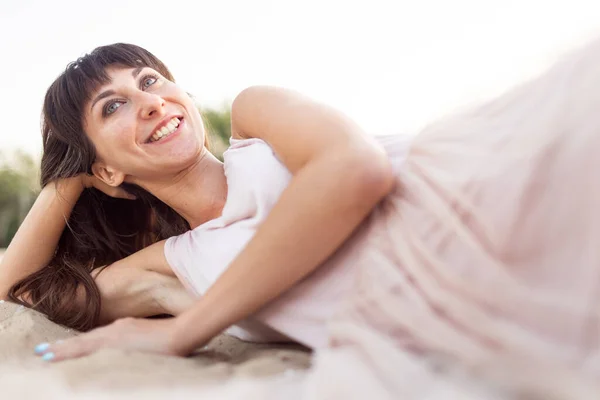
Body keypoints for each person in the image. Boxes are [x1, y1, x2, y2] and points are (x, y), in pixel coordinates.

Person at [2, 39, 600, 396]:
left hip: (508, 177)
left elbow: (356, 169)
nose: (151, 100)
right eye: (115, 105)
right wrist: (66, 180)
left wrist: (187, 328)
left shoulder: (255, 119)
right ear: (105, 173)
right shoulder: (171, 266)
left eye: (151, 80)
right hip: (492, 314)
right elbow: (13, 293)